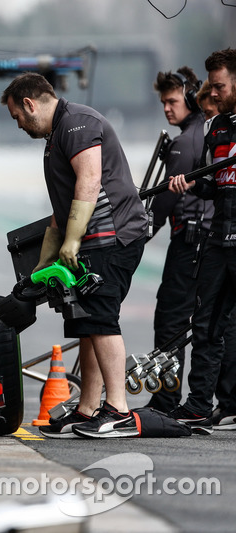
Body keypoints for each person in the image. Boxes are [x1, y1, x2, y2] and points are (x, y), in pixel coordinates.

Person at [0, 72, 148, 439]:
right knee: (85, 322)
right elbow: (60, 210)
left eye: (17, 116)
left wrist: (71, 242)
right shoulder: (57, 136)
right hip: (91, 240)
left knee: (100, 319)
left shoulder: (78, 123)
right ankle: (88, 408)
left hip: (111, 237)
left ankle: (119, 411)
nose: (18, 124)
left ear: (30, 104)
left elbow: (89, 180)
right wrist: (43, 263)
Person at [168, 48, 236, 431]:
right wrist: (190, 183)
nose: (213, 93)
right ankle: (198, 405)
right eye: (212, 85)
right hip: (217, 239)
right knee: (207, 325)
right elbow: (211, 184)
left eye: (221, 86)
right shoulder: (214, 126)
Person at [144, 67, 211, 413]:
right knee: (211, 325)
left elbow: (163, 204)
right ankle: (212, 403)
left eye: (172, 101)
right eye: (163, 103)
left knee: (170, 321)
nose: (167, 108)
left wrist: (136, 235)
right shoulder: (206, 132)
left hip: (189, 242)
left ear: (188, 98)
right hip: (207, 243)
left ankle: (165, 399)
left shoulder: (186, 141)